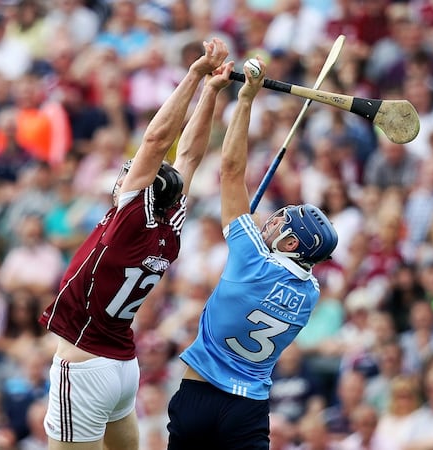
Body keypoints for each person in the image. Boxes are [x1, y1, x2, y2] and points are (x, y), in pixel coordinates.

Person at [38, 37, 233, 450]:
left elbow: (157, 141)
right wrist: (212, 94)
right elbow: (191, 158)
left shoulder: (129, 220)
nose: (124, 177)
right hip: (122, 367)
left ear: (143, 190)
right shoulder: (171, 226)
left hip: (85, 366)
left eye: (131, 174)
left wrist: (196, 74)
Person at [166, 57, 339, 449]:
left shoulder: (251, 258)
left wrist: (245, 98)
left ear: (292, 244)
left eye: (282, 222)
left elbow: (229, 169)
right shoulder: (310, 293)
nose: (272, 221)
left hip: (199, 397)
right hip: (249, 411)